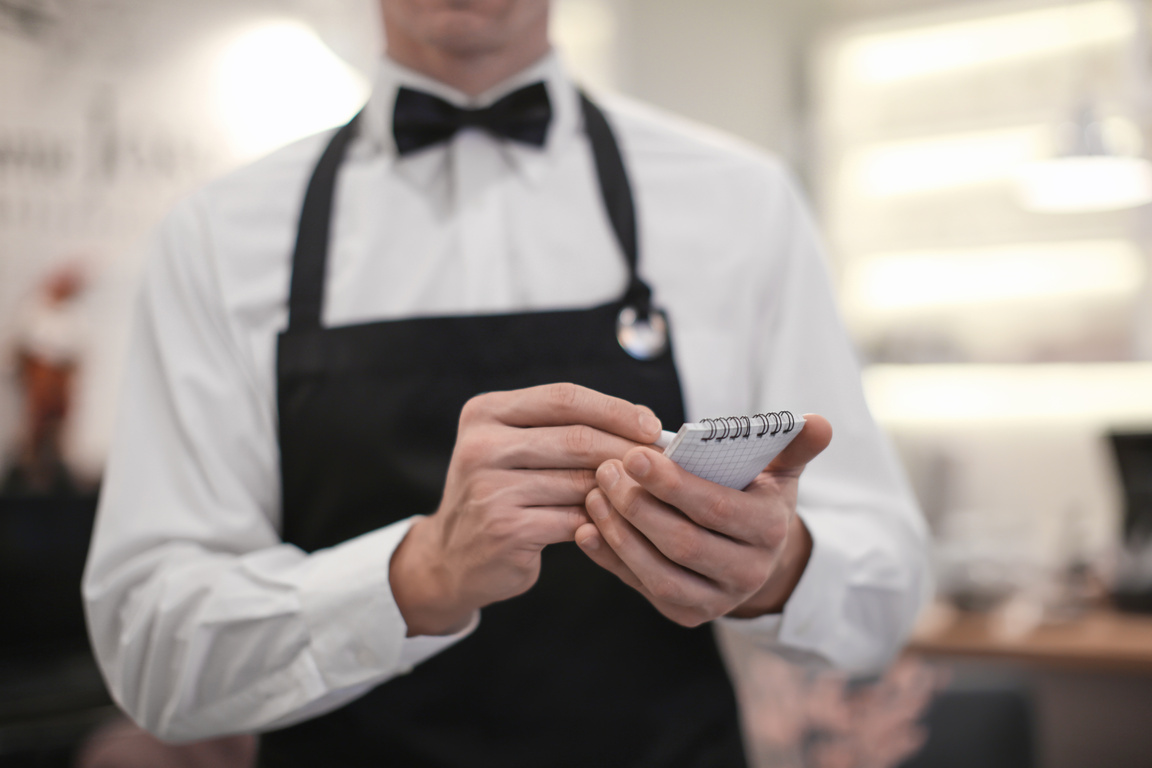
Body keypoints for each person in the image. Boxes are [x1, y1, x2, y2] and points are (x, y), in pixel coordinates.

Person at [82, 1, 929, 766]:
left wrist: (776, 569)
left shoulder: (743, 203)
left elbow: (888, 598)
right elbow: (151, 653)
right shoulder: (216, 239)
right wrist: (419, 576)